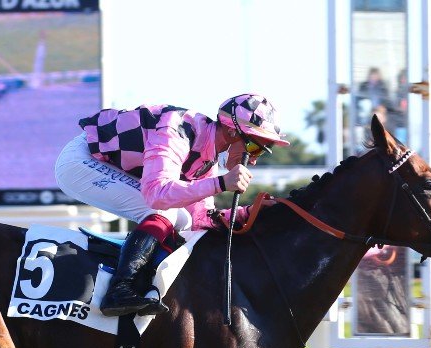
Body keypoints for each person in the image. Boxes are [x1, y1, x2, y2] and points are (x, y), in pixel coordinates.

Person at [55, 94, 290, 317]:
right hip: (81, 161)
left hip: (107, 164)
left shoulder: (206, 159)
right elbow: (156, 194)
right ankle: (120, 289)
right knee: (162, 210)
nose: (254, 159)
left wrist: (248, 213)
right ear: (231, 131)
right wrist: (220, 184)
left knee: (184, 220)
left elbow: (200, 220)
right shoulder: (177, 131)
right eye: (254, 148)